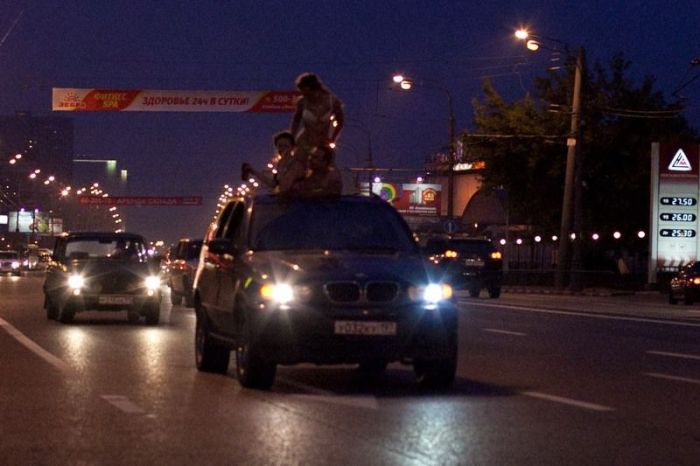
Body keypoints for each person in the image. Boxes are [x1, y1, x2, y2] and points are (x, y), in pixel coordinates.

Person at [290, 73, 344, 162]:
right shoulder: (302, 102)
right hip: (304, 141)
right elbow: (295, 122)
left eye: (303, 89)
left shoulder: (332, 101)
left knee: (322, 165)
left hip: (323, 142)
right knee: (300, 165)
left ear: (309, 88)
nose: (301, 92)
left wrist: (333, 138)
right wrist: (291, 139)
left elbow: (340, 121)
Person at [242, 131, 307, 193]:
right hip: (287, 198)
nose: (282, 149)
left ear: (292, 147)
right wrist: (254, 171)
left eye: (286, 146)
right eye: (280, 146)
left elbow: (285, 187)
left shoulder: (296, 164)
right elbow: (273, 183)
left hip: (297, 198)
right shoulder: (280, 164)